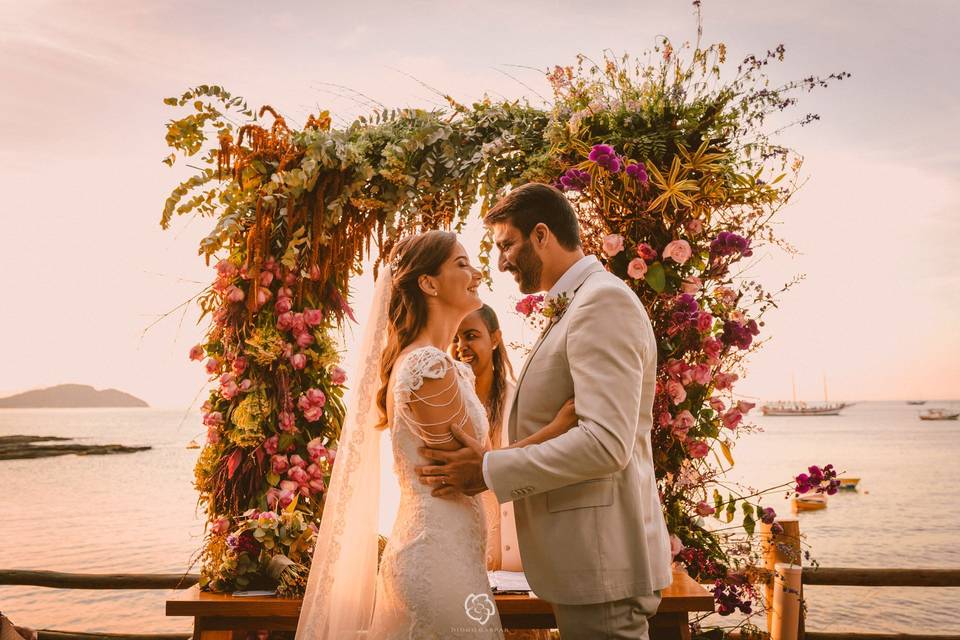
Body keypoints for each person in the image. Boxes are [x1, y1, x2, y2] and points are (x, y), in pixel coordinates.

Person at [416, 183, 674, 640]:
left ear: (541, 235)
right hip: (588, 565)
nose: (500, 262)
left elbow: (605, 443)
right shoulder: (580, 302)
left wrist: (490, 469)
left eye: (506, 245)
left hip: (602, 564)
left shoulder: (602, 302)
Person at [296, 230, 579, 640]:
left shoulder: (433, 364)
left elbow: (480, 461)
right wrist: (557, 429)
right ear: (428, 283)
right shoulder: (427, 367)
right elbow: (472, 471)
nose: (477, 272)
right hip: (436, 559)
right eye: (462, 264)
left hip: (451, 555)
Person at [451, 305, 557, 640]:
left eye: (471, 335)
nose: (461, 346)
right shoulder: (448, 407)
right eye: (455, 338)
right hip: (468, 567)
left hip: (522, 568)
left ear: (495, 339)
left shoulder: (521, 402)